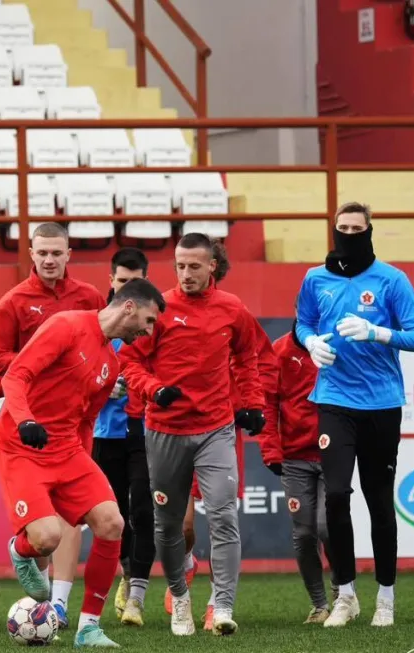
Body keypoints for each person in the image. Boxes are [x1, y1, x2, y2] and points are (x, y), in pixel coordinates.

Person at [0, 278, 166, 649]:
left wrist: (84, 464)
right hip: (20, 444)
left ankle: (88, 627)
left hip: (68, 451)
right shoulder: (67, 326)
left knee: (111, 523)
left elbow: (87, 419)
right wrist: (25, 420)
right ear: (129, 307)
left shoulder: (110, 360)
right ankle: (21, 550)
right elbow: (16, 375)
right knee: (46, 538)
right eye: (150, 321)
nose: (149, 331)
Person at [118, 232, 265, 637]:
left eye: (194, 266)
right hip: (164, 430)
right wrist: (154, 390)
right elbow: (129, 361)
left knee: (223, 514)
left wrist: (252, 402)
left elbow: (247, 358)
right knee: (167, 526)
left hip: (215, 429)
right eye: (180, 266)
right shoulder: (159, 309)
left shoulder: (232, 309)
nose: (185, 274)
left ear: (212, 265)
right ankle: (180, 599)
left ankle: (221, 606)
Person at [294, 202, 414, 628]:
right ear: (333, 230)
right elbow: (302, 323)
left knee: (378, 500)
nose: (349, 234)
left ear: (369, 231)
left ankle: (386, 597)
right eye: (343, 228)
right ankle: (347, 594)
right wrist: (311, 342)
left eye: (357, 228)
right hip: (334, 399)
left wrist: (379, 333)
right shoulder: (315, 278)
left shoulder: (392, 280)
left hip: (382, 404)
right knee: (336, 495)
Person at [0, 221, 106, 627]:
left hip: (70, 428)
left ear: (69, 254)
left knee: (76, 519)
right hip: (27, 424)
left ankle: (59, 604)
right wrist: (40, 363)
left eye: (57, 252)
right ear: (32, 255)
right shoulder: (12, 302)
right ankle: (26, 554)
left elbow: (102, 347)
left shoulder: (89, 297)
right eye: (43, 253)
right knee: (45, 530)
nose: (50, 260)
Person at [91, 248, 156, 628]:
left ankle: (136, 594)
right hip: (103, 430)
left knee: (144, 509)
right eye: (121, 282)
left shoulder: (151, 323)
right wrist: (102, 387)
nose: (128, 289)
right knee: (112, 515)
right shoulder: (98, 324)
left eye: (135, 282)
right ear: (111, 282)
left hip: (143, 428)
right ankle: (125, 571)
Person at [260, 321, 333, 625]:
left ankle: (344, 593)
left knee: (328, 527)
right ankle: (319, 604)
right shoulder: (278, 351)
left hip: (334, 453)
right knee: (304, 534)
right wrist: (270, 449)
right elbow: (267, 404)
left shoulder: (336, 346)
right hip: (294, 457)